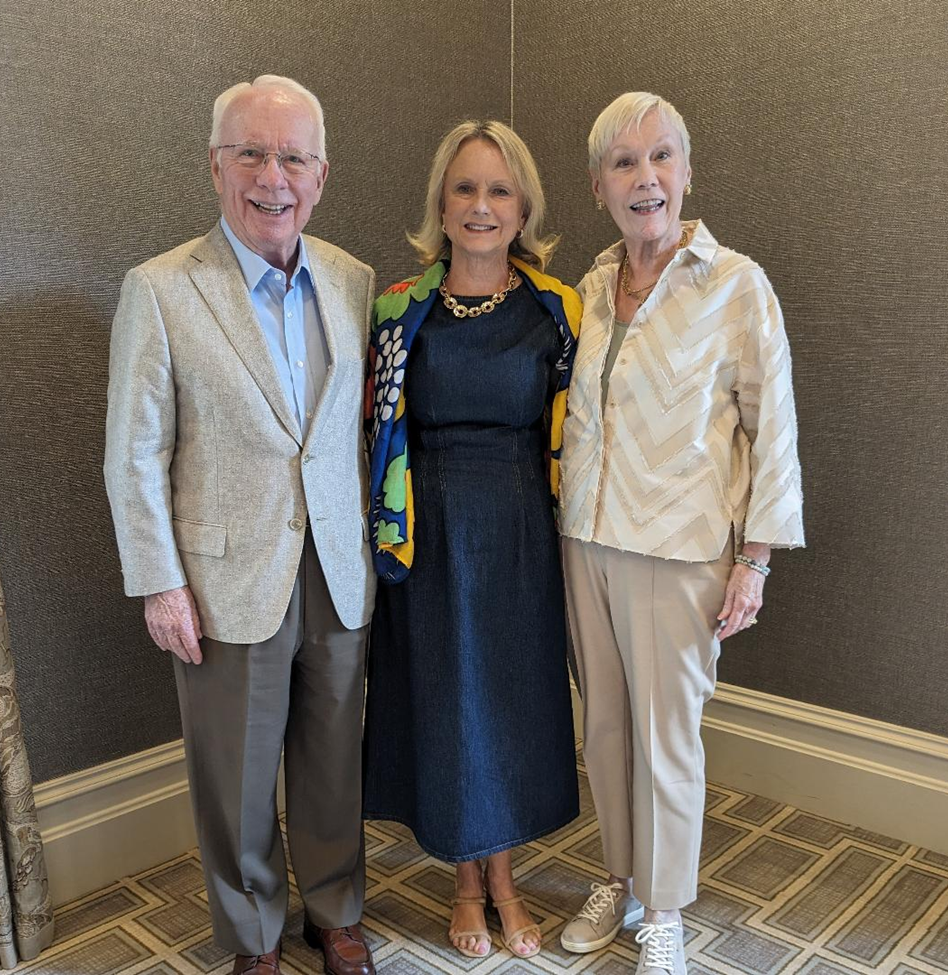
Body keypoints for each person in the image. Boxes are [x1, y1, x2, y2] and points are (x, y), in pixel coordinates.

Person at [104, 75, 377, 975]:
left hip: (337, 565)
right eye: (251, 153)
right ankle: (255, 934)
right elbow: (134, 452)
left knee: (334, 756)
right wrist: (159, 581)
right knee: (236, 772)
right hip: (222, 577)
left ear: (321, 174)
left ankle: (334, 909)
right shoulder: (160, 289)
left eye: (293, 156)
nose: (273, 177)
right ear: (215, 167)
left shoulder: (352, 280)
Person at [558, 92, 804, 975]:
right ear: (598, 185)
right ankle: (618, 878)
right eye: (623, 162)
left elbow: (772, 428)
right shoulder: (590, 286)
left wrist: (755, 560)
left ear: (687, 172)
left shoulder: (734, 283)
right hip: (585, 539)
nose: (645, 177)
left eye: (660, 156)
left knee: (666, 738)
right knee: (605, 729)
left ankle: (663, 911)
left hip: (681, 548)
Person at [361, 121, 581, 960]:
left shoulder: (558, 309)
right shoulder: (397, 309)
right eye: (464, 188)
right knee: (449, 705)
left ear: (522, 208)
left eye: (498, 189)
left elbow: (579, 431)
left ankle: (505, 881)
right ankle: (463, 882)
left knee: (511, 704)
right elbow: (372, 428)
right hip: (426, 534)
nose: (480, 205)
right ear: (441, 204)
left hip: (521, 530)